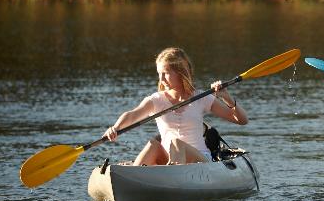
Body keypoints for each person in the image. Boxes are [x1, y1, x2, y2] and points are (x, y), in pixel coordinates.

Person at [102, 47, 248, 165]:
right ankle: (134, 177)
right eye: (159, 73)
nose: (161, 79)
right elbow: (133, 114)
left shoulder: (202, 98)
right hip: (168, 159)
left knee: (177, 144)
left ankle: (171, 177)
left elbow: (241, 120)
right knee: (153, 144)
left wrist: (226, 97)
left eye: (165, 73)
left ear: (180, 73)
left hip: (199, 159)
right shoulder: (156, 100)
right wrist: (115, 128)